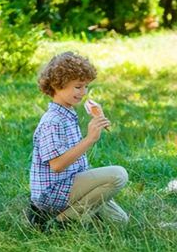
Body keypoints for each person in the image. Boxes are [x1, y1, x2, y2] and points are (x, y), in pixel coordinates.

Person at [27, 51, 128, 229]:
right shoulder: (53, 121)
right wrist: (89, 139)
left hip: (70, 184)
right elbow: (57, 165)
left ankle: (75, 215)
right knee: (118, 175)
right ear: (57, 85)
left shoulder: (67, 113)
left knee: (119, 221)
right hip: (53, 192)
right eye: (78, 87)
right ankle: (60, 223)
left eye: (86, 86)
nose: (83, 93)